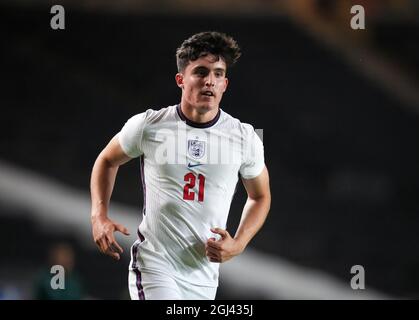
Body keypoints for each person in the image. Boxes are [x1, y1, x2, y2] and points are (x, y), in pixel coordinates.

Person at [90, 31, 271, 300]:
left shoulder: (245, 138)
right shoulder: (149, 125)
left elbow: (260, 196)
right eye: (200, 71)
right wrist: (98, 216)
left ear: (225, 84)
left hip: (203, 277)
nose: (210, 80)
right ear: (181, 80)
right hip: (155, 265)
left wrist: (239, 243)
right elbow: (106, 159)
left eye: (218, 73)